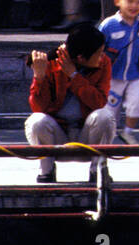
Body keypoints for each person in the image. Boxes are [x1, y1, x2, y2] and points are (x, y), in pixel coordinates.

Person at [25, 21, 115, 184]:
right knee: (36, 121)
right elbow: (39, 108)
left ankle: (98, 169)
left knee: (104, 116)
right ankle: (46, 170)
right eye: (99, 53)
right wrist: (40, 78)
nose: (102, 57)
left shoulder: (104, 64)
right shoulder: (50, 63)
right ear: (81, 57)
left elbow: (99, 102)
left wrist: (74, 76)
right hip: (58, 138)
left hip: (87, 137)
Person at [99, 0, 139, 145]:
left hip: (133, 75)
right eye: (129, 1)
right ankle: (107, 138)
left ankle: (128, 132)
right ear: (117, 1)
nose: (134, 6)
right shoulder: (108, 25)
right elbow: (98, 48)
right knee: (110, 110)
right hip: (112, 76)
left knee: (137, 102)